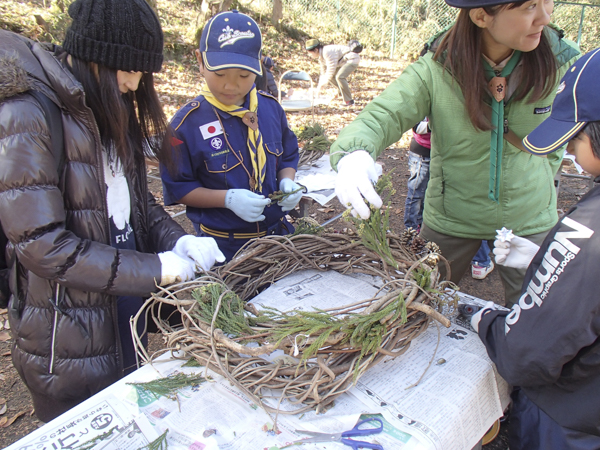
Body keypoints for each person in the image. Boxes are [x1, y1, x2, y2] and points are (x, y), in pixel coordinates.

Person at [0, 0, 226, 422]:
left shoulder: (111, 100)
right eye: (128, 68)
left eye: (143, 70)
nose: (135, 82)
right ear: (94, 55)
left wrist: (180, 242)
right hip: (66, 337)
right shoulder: (28, 113)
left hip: (124, 308)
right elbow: (42, 244)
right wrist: (155, 269)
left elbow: (139, 205)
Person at [331, 0, 580, 307]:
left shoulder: (565, 61)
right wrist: (354, 155)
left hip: (531, 216)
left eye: (546, 1)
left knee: (541, 315)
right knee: (419, 304)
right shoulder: (438, 66)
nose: (546, 15)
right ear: (481, 16)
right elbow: (383, 114)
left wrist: (547, 172)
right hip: (451, 217)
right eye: (530, 6)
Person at [472, 47, 600, 450]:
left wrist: (486, 324)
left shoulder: (591, 225)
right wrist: (546, 260)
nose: (570, 154)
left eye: (575, 138)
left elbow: (527, 350)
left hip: (571, 420)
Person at [161, 11, 301, 261]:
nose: (230, 86)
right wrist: (227, 199)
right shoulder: (186, 125)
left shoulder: (270, 109)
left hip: (276, 239)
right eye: (220, 74)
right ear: (200, 61)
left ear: (259, 66)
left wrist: (287, 182)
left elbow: (288, 155)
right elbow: (179, 187)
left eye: (244, 76)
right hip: (222, 247)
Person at [405, 119, 494, 279]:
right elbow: (417, 125)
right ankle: (413, 239)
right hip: (437, 153)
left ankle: (479, 260)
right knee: (419, 196)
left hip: (455, 155)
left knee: (470, 206)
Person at [305, 38, 360, 106]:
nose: (309, 55)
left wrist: (322, 85)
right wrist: (319, 87)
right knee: (332, 77)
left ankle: (349, 101)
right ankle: (341, 92)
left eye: (310, 53)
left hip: (352, 59)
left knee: (340, 77)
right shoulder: (321, 57)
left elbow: (331, 70)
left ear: (316, 50)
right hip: (343, 62)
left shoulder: (327, 52)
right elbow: (323, 73)